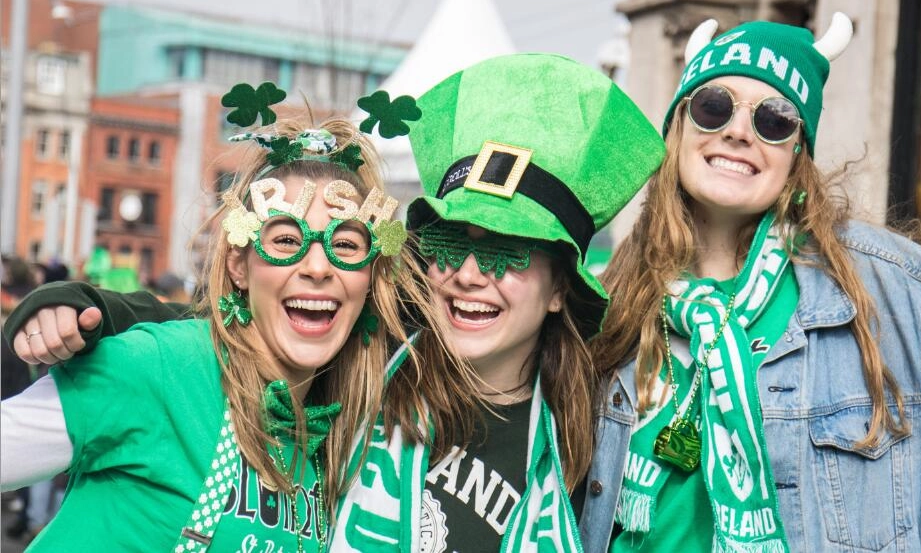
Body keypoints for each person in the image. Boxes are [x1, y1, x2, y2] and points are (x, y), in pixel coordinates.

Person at [4, 54, 667, 552]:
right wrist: (93, 308)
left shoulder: (589, 433)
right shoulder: (371, 374)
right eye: (446, 241)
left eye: (506, 253)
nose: (469, 274)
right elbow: (219, 341)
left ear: (561, 287)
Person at [0, 89, 455, 551]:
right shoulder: (163, 367)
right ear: (239, 265)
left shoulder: (334, 439)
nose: (318, 268)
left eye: (345, 246)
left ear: (370, 277)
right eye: (284, 240)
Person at [579, 13, 921, 552]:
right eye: (713, 107)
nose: (738, 131)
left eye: (775, 118)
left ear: (797, 153)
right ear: (678, 129)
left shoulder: (890, 289)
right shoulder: (614, 303)